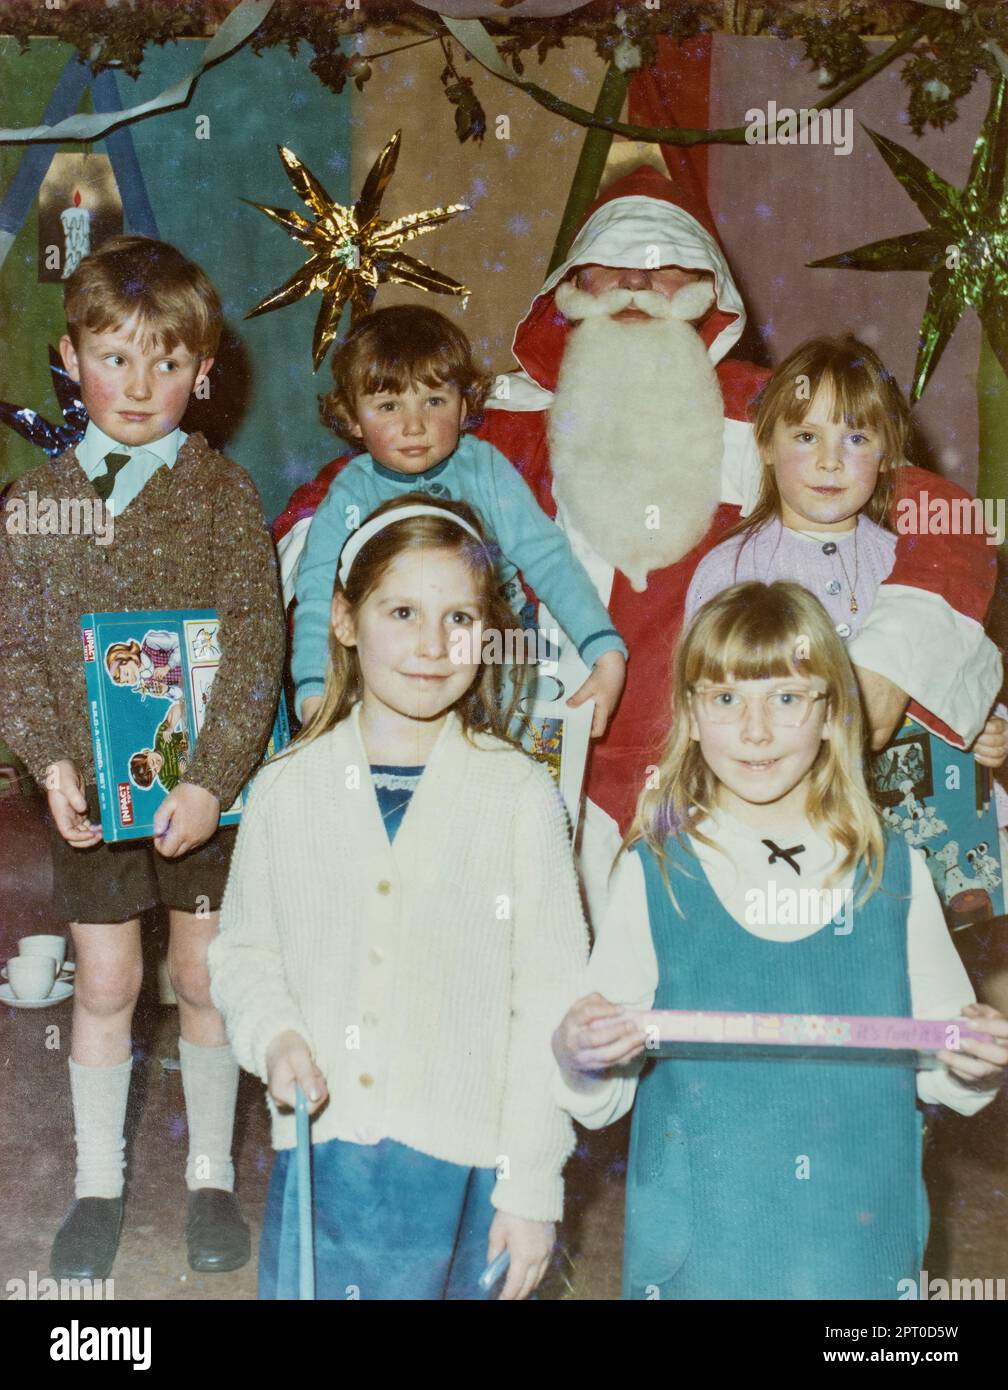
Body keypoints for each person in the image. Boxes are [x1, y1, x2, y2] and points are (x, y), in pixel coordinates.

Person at [271, 165, 1001, 933]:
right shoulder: (499, 431)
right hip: (537, 775)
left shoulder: (778, 419)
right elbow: (319, 516)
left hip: (733, 775)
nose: (634, 288)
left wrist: (885, 667)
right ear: (570, 289)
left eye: (662, 272)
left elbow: (943, 518)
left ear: (707, 293)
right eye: (611, 273)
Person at [552, 581, 1008, 1300]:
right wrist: (576, 1051)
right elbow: (597, 1096)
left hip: (858, 1255)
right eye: (727, 699)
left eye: (788, 698)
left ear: (831, 713)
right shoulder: (657, 873)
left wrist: (975, 1060)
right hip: (699, 1260)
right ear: (692, 717)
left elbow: (944, 1069)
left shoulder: (896, 870)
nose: (756, 730)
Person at [209, 496, 588, 1301]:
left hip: (466, 1165)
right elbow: (244, 951)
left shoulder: (519, 797)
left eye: (459, 618)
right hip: (324, 1157)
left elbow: (552, 1004)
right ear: (344, 621)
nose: (431, 645)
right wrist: (273, 1036)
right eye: (403, 611)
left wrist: (531, 1186)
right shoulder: (286, 790)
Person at [0, 235, 286, 1280]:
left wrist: (212, 778)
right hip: (90, 797)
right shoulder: (38, 504)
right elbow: (17, 647)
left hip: (205, 792)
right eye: (113, 356)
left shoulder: (223, 496)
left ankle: (211, 1172)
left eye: (167, 362)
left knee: (203, 973)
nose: (139, 384)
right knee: (109, 980)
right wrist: (51, 764)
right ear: (69, 359)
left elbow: (256, 643)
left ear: (203, 372)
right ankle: (96, 1185)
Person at [288, 304, 626, 736]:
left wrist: (603, 649)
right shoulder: (351, 494)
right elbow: (318, 596)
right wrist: (315, 689)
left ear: (464, 406)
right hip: (391, 655)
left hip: (492, 648)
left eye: (434, 401)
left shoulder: (484, 469)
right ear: (352, 418)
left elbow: (549, 559)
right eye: (389, 405)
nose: (414, 425)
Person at [684, 335, 1008, 777]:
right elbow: (700, 701)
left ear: (886, 455)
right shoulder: (731, 569)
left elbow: (957, 670)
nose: (830, 460)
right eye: (805, 436)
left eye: (855, 438)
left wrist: (987, 727)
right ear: (765, 445)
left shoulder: (905, 564)